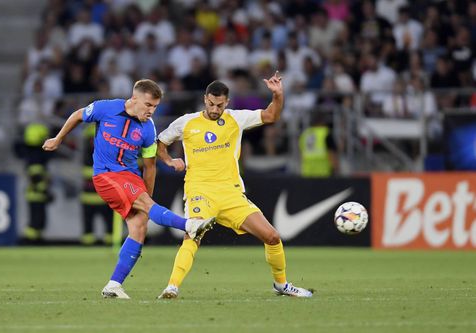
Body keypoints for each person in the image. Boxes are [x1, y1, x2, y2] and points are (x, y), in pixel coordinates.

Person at [42, 79, 215, 299]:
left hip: (131, 178)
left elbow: (150, 166)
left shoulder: (148, 129)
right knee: (146, 212)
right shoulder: (106, 108)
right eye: (148, 105)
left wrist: (147, 199)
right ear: (134, 99)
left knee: (139, 227)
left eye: (155, 107)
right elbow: (78, 115)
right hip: (106, 175)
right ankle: (190, 225)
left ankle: (114, 285)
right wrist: (58, 139)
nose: (151, 111)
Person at [156, 73, 314, 298]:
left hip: (231, 194)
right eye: (211, 104)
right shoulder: (186, 122)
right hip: (200, 191)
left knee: (272, 236)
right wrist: (170, 160)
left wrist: (278, 95)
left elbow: (271, 115)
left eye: (219, 105)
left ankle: (281, 284)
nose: (214, 109)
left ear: (227, 102)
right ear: (205, 99)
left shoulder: (235, 119)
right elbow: (160, 142)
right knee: (193, 235)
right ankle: (172, 287)